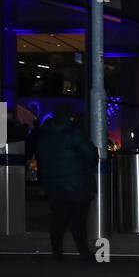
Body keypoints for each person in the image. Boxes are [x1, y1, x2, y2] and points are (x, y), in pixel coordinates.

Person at [31, 112, 98, 261]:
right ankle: (83, 251)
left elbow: (40, 159)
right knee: (78, 221)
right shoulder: (75, 133)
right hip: (77, 184)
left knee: (58, 220)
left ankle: (57, 251)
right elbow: (91, 155)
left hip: (53, 185)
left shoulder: (44, 136)